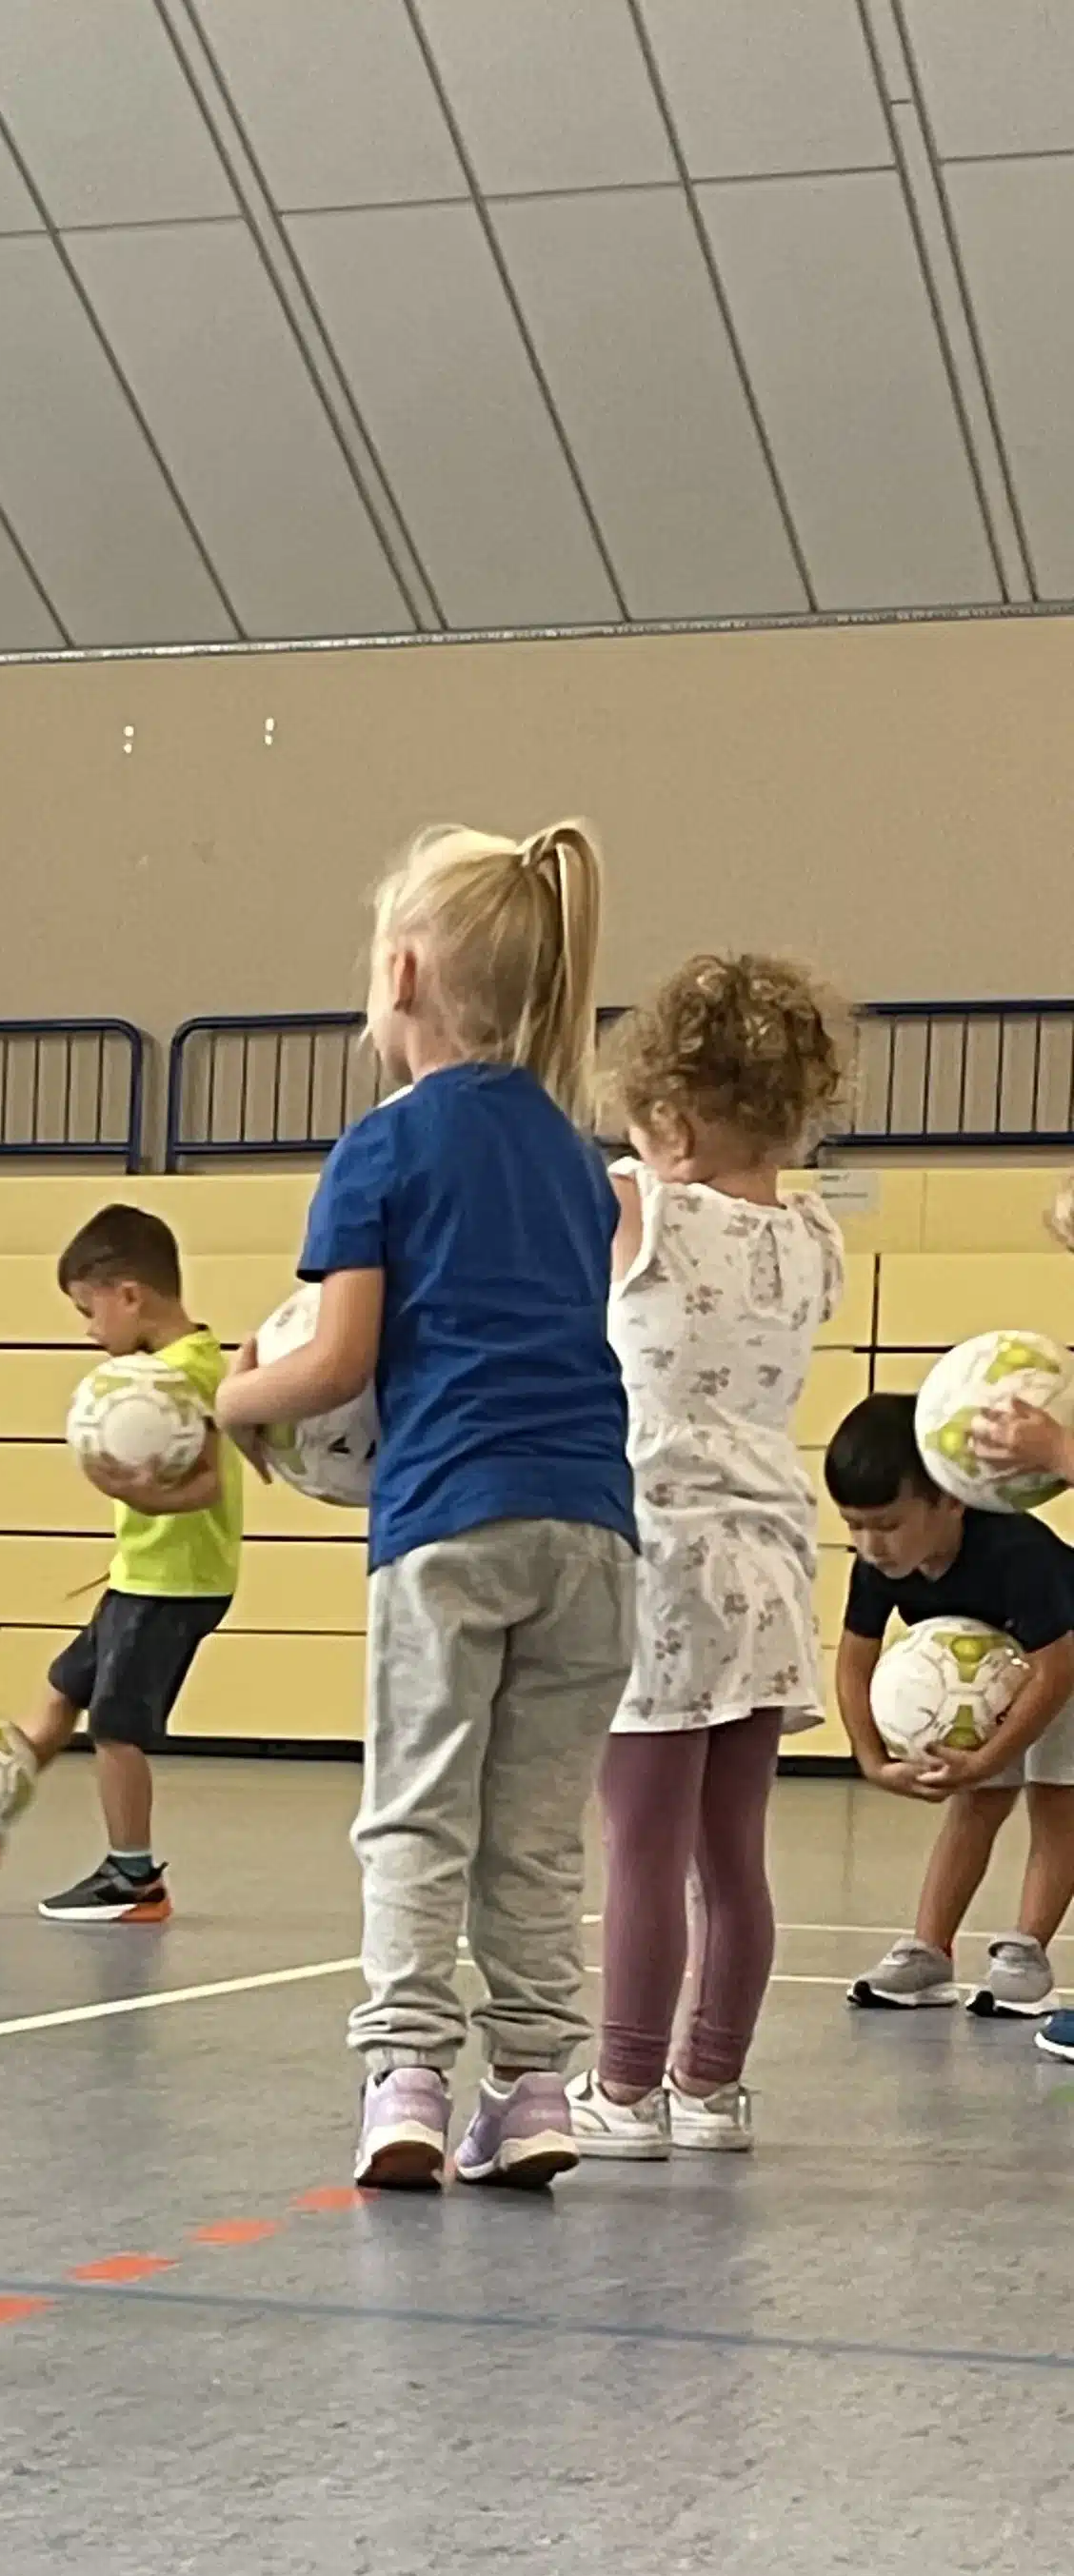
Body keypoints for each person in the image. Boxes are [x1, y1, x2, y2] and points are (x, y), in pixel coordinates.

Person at [215, 821, 633, 2190]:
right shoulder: (579, 1161)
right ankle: (534, 2087)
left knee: (417, 1812)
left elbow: (339, 1365)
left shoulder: (382, 1150)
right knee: (537, 1831)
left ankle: (404, 2075)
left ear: (400, 973)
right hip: (593, 1530)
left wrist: (232, 1397)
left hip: (448, 1520)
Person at [565, 957, 854, 2161]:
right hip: (772, 1562)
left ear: (672, 1126)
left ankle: (625, 2087)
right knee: (733, 1854)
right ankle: (712, 2084)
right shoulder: (815, 1235)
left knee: (640, 1843)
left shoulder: (641, 1208)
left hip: (663, 1559)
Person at [0, 1201, 238, 1918]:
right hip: (141, 1576)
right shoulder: (159, 1370)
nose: (87, 1329)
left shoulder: (183, 1376)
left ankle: (134, 1878)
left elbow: (208, 1486)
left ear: (128, 1295)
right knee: (60, 1693)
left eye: (88, 1310)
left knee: (116, 1728)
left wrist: (135, 1493)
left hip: (175, 1583)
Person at [825, 1394, 1074, 2017]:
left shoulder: (1016, 1551)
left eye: (887, 1525)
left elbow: (1057, 1669)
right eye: (853, 1525)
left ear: (951, 1499)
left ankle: (1026, 1953)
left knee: (1058, 1803)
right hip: (998, 1674)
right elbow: (855, 1658)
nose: (870, 1544)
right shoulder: (878, 1564)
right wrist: (872, 1760)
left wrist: (989, 1756)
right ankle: (930, 1953)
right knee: (975, 1804)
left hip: (1065, 1664)